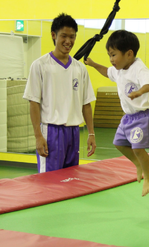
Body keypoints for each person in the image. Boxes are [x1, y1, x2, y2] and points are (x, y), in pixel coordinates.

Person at [85, 30, 149, 197]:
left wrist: (139, 92)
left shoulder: (138, 67)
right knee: (119, 143)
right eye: (109, 55)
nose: (111, 59)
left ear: (129, 54)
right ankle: (137, 164)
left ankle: (148, 177)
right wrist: (94, 64)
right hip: (128, 117)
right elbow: (107, 72)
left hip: (142, 116)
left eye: (113, 55)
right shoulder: (118, 69)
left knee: (139, 148)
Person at [23, 13, 97, 173]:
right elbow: (33, 102)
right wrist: (38, 136)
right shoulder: (40, 65)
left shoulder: (80, 69)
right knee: (49, 183)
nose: (68, 41)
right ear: (54, 35)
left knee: (70, 181)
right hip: (51, 132)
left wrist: (91, 133)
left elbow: (86, 103)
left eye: (72, 37)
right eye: (64, 36)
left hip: (74, 132)